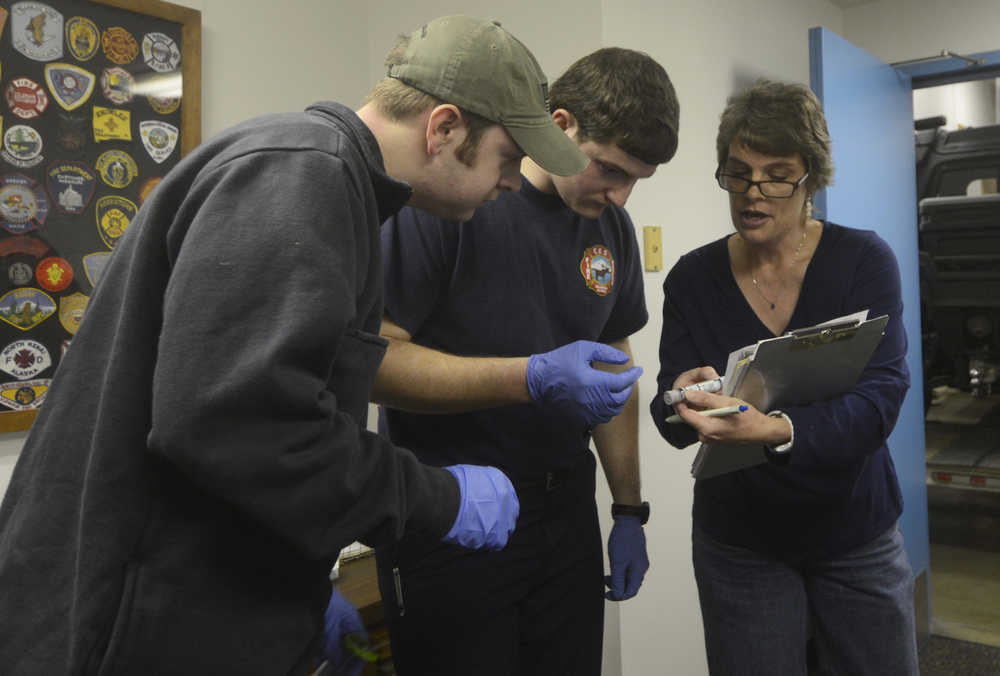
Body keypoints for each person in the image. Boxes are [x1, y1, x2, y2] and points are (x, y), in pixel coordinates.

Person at [0, 15, 626, 675]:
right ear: (444, 129)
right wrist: (438, 498)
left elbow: (247, 412)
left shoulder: (333, 181)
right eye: (505, 159)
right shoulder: (301, 173)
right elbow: (239, 425)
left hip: (193, 595)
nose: (511, 183)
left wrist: (295, 582)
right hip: (120, 623)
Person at [373, 47, 679, 675]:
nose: (621, 196)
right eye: (608, 169)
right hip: (453, 510)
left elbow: (613, 364)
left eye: (636, 181)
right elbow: (373, 361)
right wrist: (529, 379)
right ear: (561, 125)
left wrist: (627, 510)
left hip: (564, 510)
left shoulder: (610, 231)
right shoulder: (451, 200)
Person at [649, 79, 918, 675]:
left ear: (811, 179)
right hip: (740, 545)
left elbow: (880, 402)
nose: (753, 192)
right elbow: (669, 420)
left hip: (855, 533)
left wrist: (775, 430)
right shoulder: (693, 279)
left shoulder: (863, 261)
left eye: (777, 174)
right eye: (738, 173)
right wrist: (682, 397)